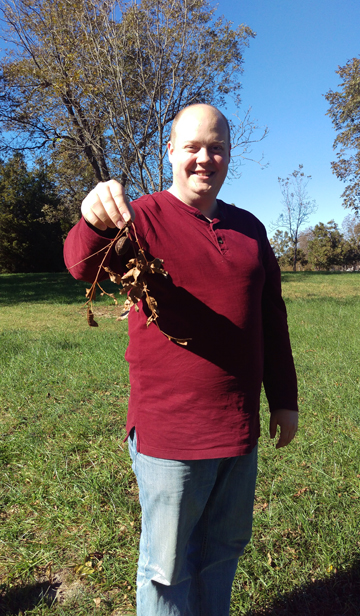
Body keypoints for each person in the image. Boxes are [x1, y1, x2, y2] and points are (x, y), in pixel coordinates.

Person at [64, 104, 298, 616]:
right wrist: (93, 218)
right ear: (169, 151)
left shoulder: (250, 229)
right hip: (170, 436)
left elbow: (271, 320)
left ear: (229, 155)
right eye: (192, 146)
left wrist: (284, 400)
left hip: (239, 430)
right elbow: (81, 263)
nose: (204, 158)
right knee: (166, 569)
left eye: (216, 147)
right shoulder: (141, 217)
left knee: (221, 555)